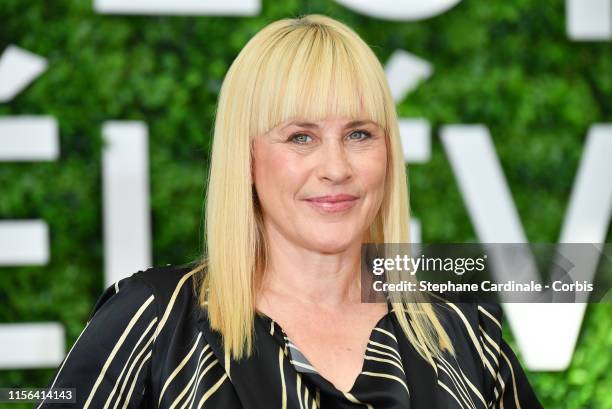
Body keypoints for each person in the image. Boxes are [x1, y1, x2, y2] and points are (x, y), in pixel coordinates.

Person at [39, 14, 543, 408]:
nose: (336, 167)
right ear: (247, 155)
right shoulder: (155, 321)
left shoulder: (464, 336)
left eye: (359, 134)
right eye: (301, 137)